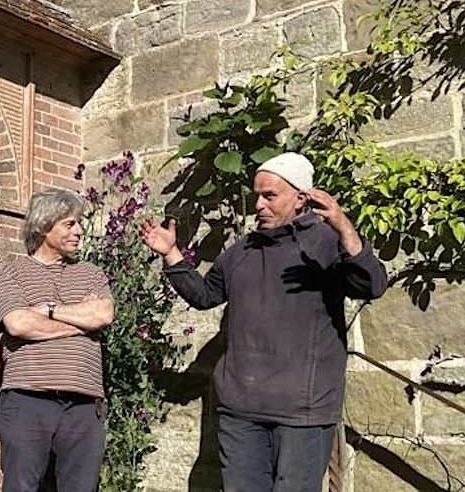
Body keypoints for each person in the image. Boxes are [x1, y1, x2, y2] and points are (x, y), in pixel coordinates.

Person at [139, 152, 389, 491]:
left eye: (270, 195)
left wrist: (344, 226)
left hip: (304, 410)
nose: (258, 204)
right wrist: (171, 254)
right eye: (257, 195)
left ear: (301, 197)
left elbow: (371, 285)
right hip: (240, 410)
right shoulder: (241, 251)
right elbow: (204, 296)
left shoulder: (327, 242)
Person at [0, 188, 115, 492]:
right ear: (44, 225)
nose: (80, 230)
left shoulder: (91, 273)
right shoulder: (13, 272)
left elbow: (103, 315)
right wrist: (80, 322)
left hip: (84, 406)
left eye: (80, 223)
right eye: (70, 224)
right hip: (27, 399)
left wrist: (48, 310)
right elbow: (18, 323)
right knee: (21, 487)